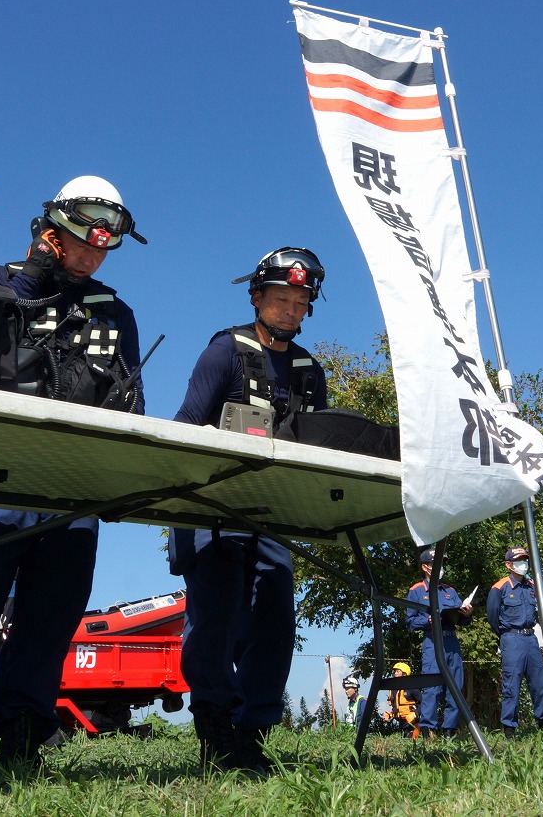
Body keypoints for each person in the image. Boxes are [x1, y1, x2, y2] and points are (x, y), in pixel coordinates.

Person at [0, 176, 146, 770]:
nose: (94, 254)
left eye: (104, 246)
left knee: (51, 616)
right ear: (51, 230)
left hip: (75, 484)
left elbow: (132, 402)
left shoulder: (116, 313)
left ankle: (21, 735)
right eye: (84, 241)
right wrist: (31, 279)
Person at [167, 248, 328, 773]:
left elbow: (320, 444)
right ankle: (215, 723)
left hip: (271, 513)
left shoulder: (309, 371)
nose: (289, 309)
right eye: (280, 298)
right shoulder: (224, 352)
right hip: (213, 506)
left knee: (275, 622)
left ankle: (253, 730)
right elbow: (187, 423)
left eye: (300, 301)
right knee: (213, 619)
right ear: (257, 297)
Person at [405, 548, 473, 737]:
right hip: (432, 641)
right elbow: (410, 622)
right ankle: (428, 729)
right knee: (432, 687)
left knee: (455, 686)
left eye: (442, 564)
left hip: (452, 641)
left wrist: (467, 614)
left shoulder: (450, 591)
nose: (440, 568)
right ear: (425, 567)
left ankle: (450, 729)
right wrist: (427, 621)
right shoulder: (416, 591)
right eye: (436, 564)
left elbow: (462, 619)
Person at [486, 546, 543, 738]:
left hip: (531, 638)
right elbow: (492, 616)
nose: (523, 564)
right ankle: (510, 728)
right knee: (511, 685)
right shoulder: (500, 587)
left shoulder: (532, 586)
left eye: (525, 560)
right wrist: (505, 636)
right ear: (508, 565)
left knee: (540, 683)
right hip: (511, 638)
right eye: (518, 561)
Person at [383, 662, 419, 737]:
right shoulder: (394, 689)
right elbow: (397, 706)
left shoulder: (411, 688)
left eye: (398, 671)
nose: (395, 673)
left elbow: (423, 702)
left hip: (412, 721)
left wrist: (416, 714)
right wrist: (391, 714)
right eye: (395, 671)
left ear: (404, 674)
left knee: (411, 737)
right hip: (401, 722)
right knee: (403, 737)